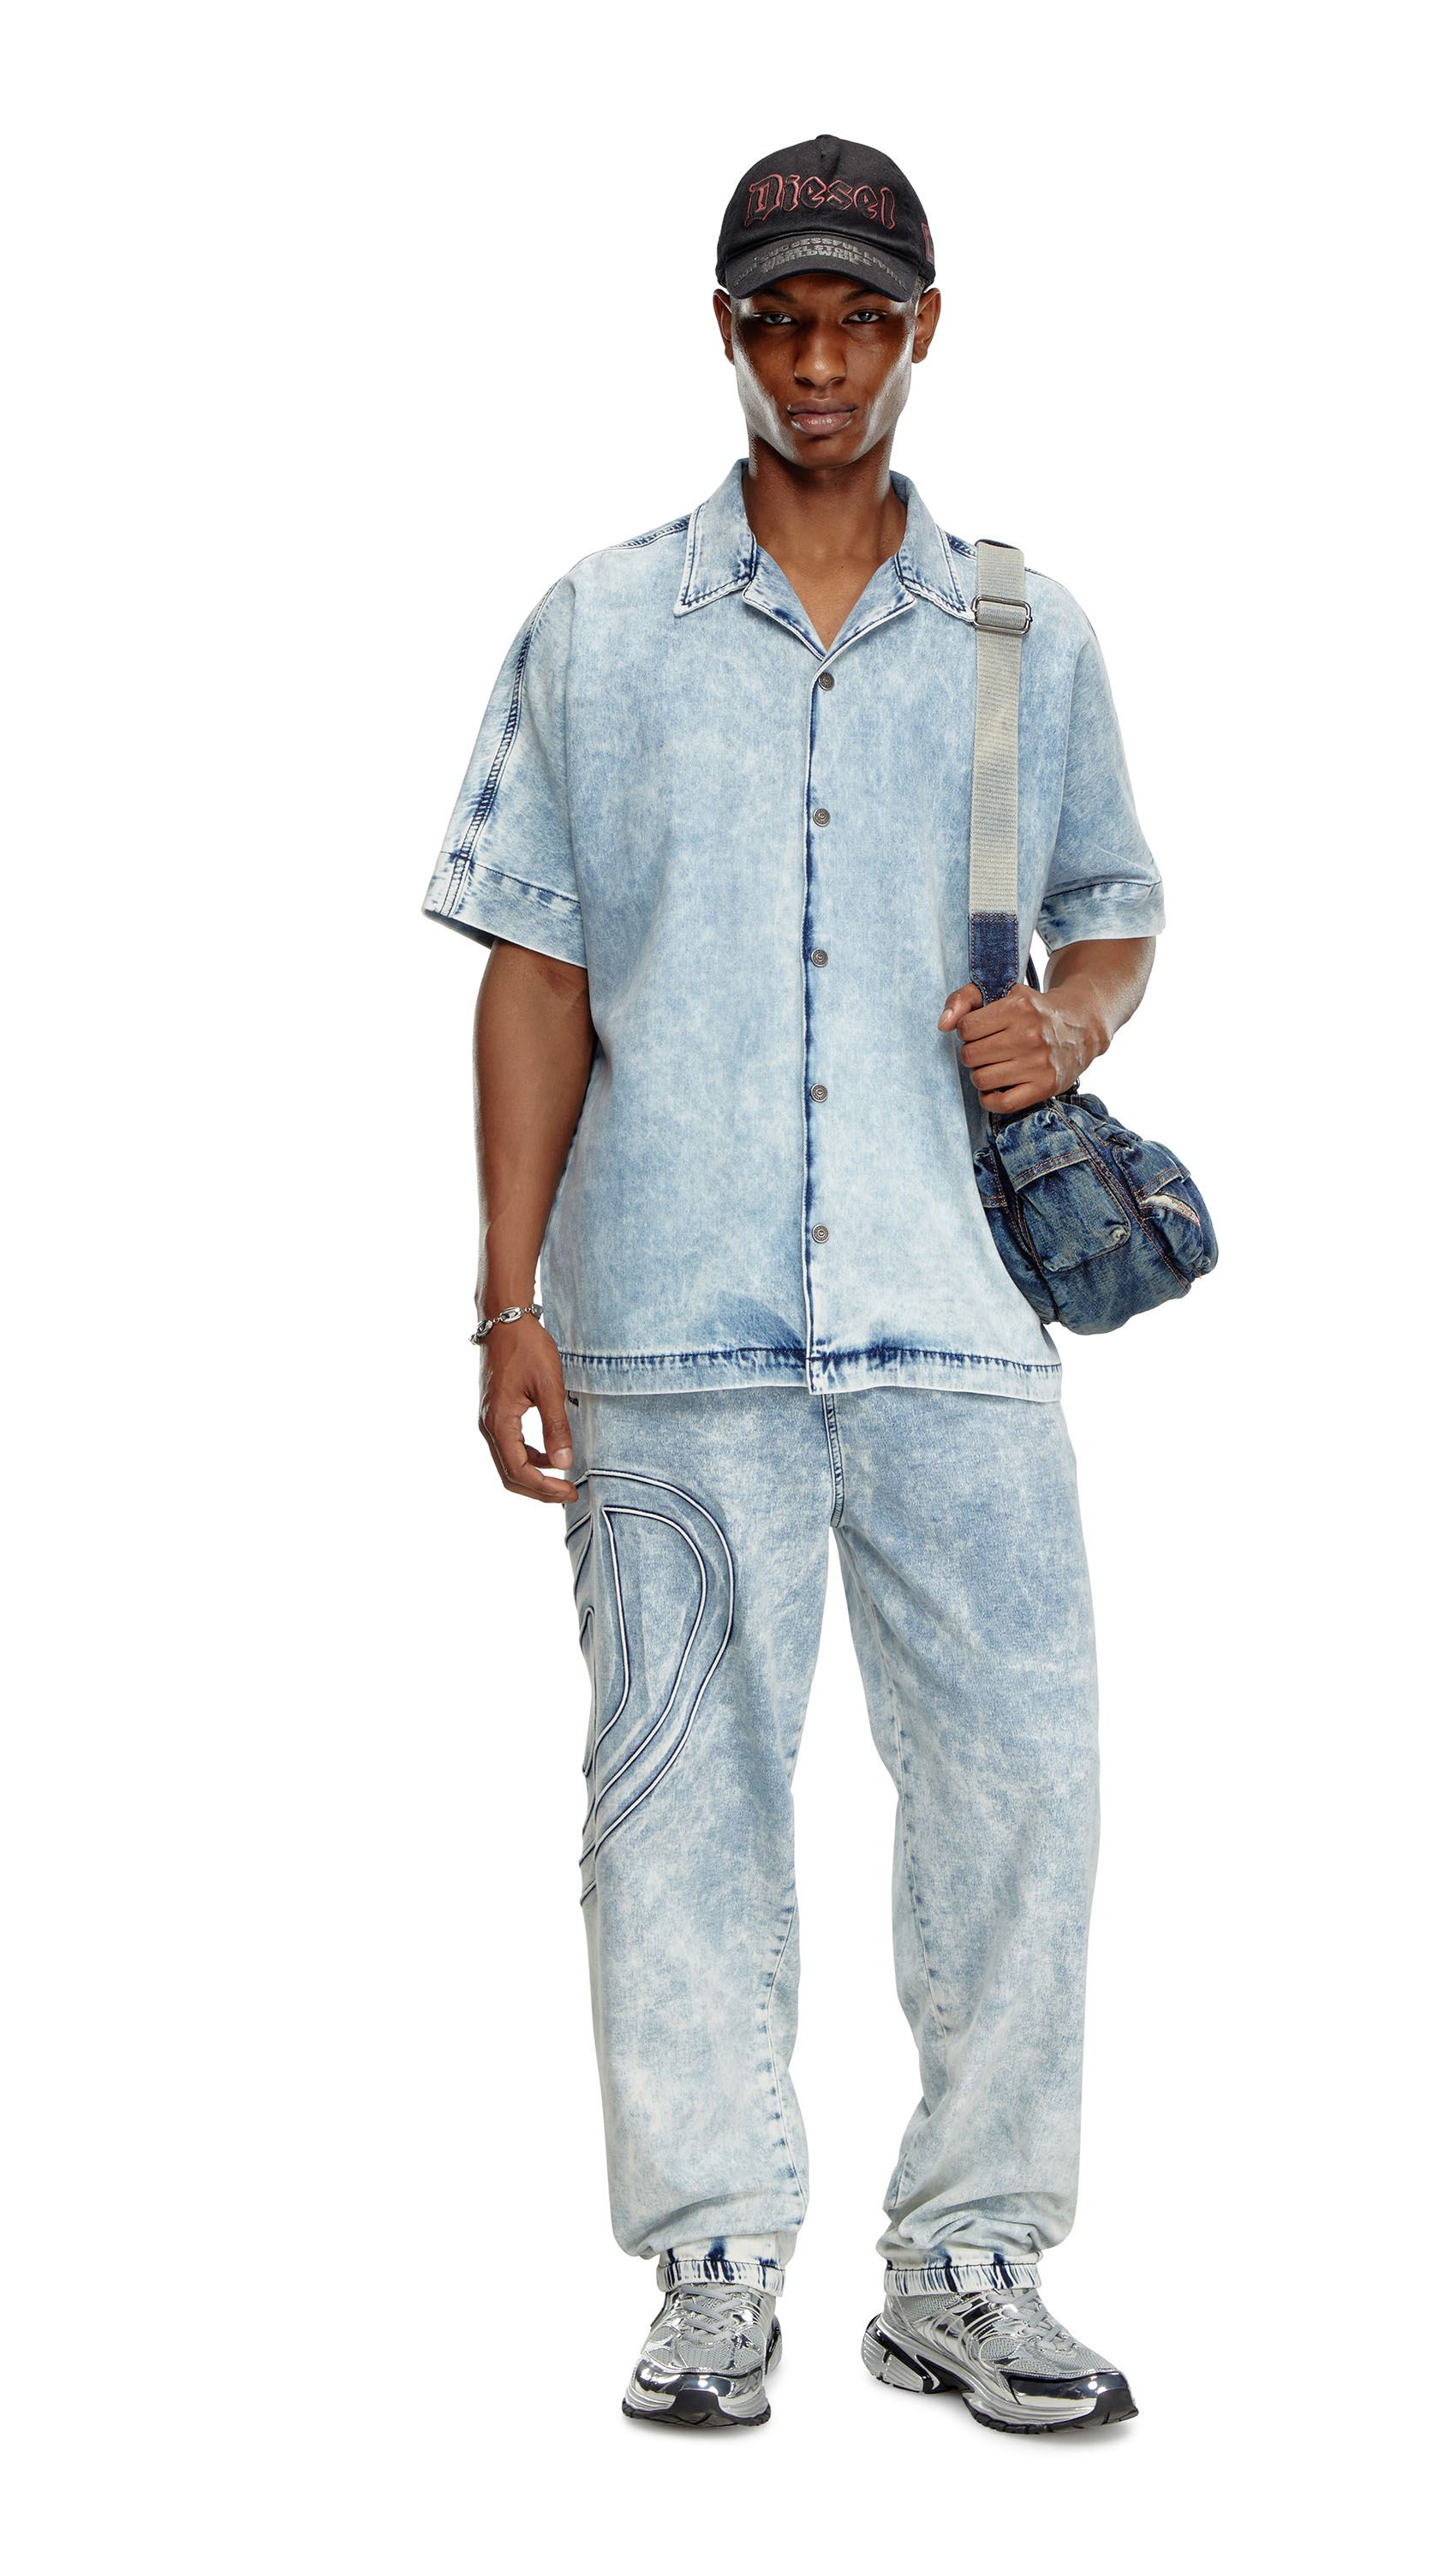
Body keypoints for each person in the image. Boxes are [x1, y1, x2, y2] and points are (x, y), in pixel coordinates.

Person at [423, 134, 1163, 2436]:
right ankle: (713, 2265)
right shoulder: (597, 628)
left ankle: (969, 2262)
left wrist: (1078, 1025)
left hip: (957, 1321)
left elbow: (1115, 905)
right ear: (726, 333)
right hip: (669, 1322)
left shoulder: (1028, 632)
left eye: (859, 320)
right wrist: (508, 1299)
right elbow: (535, 971)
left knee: (1024, 1792)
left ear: (924, 329)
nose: (819, 362)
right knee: (672, 1804)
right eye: (779, 322)